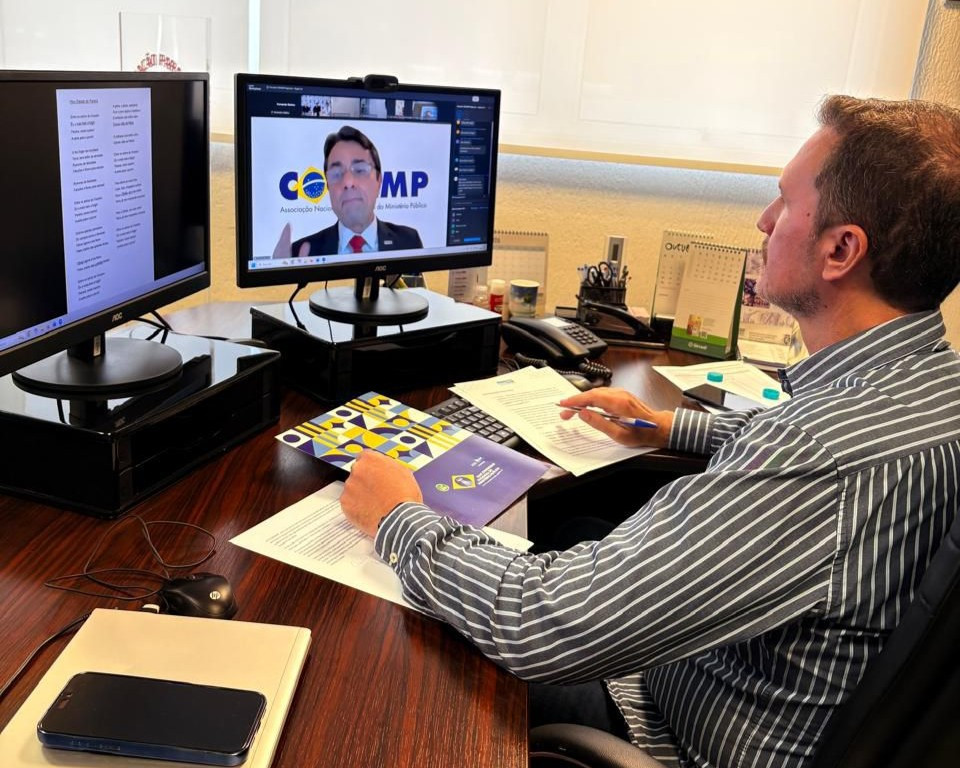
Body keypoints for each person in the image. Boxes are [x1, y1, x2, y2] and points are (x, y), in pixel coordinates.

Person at [339, 95, 960, 767]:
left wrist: (397, 517)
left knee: (403, 657)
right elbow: (803, 451)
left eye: (784, 202)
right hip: (754, 684)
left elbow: (540, 623)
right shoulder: (930, 387)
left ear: (841, 249)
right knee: (577, 528)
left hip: (666, 734)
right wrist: (670, 426)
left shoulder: (813, 455)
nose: (763, 220)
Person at [288, 125, 423, 257]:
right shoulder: (300, 254)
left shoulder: (409, 242)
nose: (348, 182)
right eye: (336, 173)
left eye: (359, 170)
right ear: (328, 186)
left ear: (379, 181)